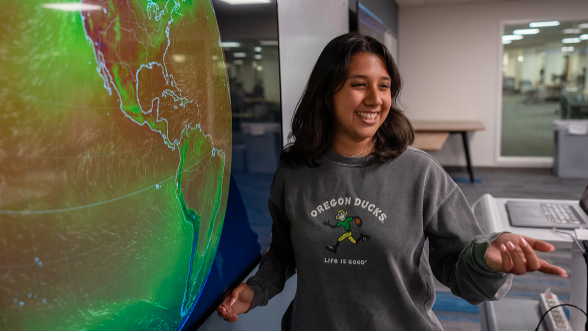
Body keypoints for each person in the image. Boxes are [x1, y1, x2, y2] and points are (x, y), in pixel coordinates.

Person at [216, 32, 568, 330]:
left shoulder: (420, 173)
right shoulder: (294, 172)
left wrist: (486, 261)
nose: (375, 99)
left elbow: (462, 272)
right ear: (327, 94)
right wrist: (257, 289)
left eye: (384, 86)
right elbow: (284, 250)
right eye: (359, 85)